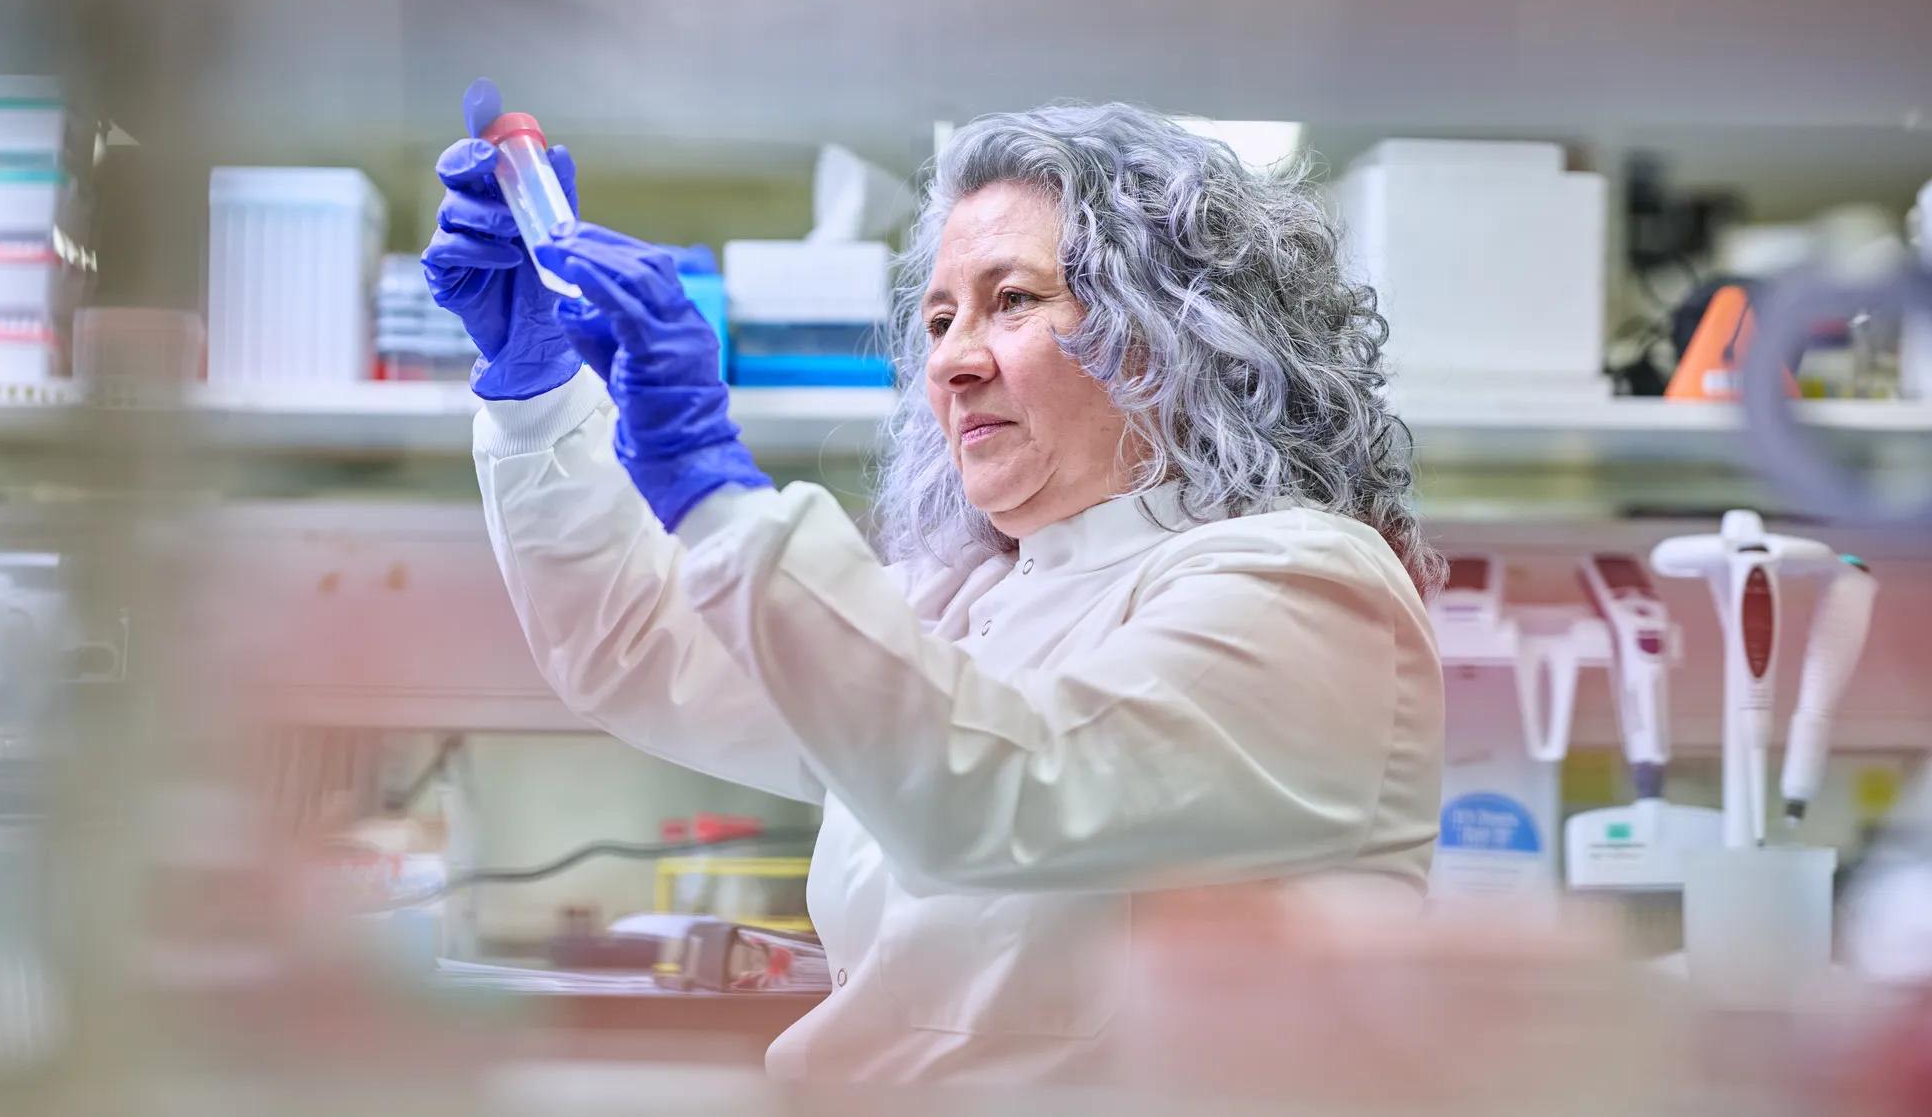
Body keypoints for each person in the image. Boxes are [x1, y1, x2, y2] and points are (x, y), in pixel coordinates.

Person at [423, 100, 1445, 1085]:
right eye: (940, 317)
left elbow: (987, 792)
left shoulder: (1305, 589)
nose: (951, 362)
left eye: (1011, 301)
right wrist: (536, 392)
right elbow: (641, 651)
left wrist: (709, 476)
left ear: (1177, 333)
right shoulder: (973, 599)